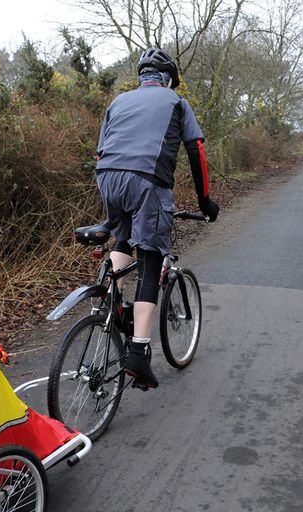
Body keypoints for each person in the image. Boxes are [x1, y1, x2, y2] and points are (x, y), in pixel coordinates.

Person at [95, 47, 220, 389]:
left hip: (107, 176)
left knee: (123, 236)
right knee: (151, 259)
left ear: (142, 78)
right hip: (148, 181)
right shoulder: (176, 103)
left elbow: (102, 149)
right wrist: (205, 201)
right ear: (167, 79)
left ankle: (116, 305)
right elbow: (196, 149)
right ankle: (139, 351)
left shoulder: (118, 102)